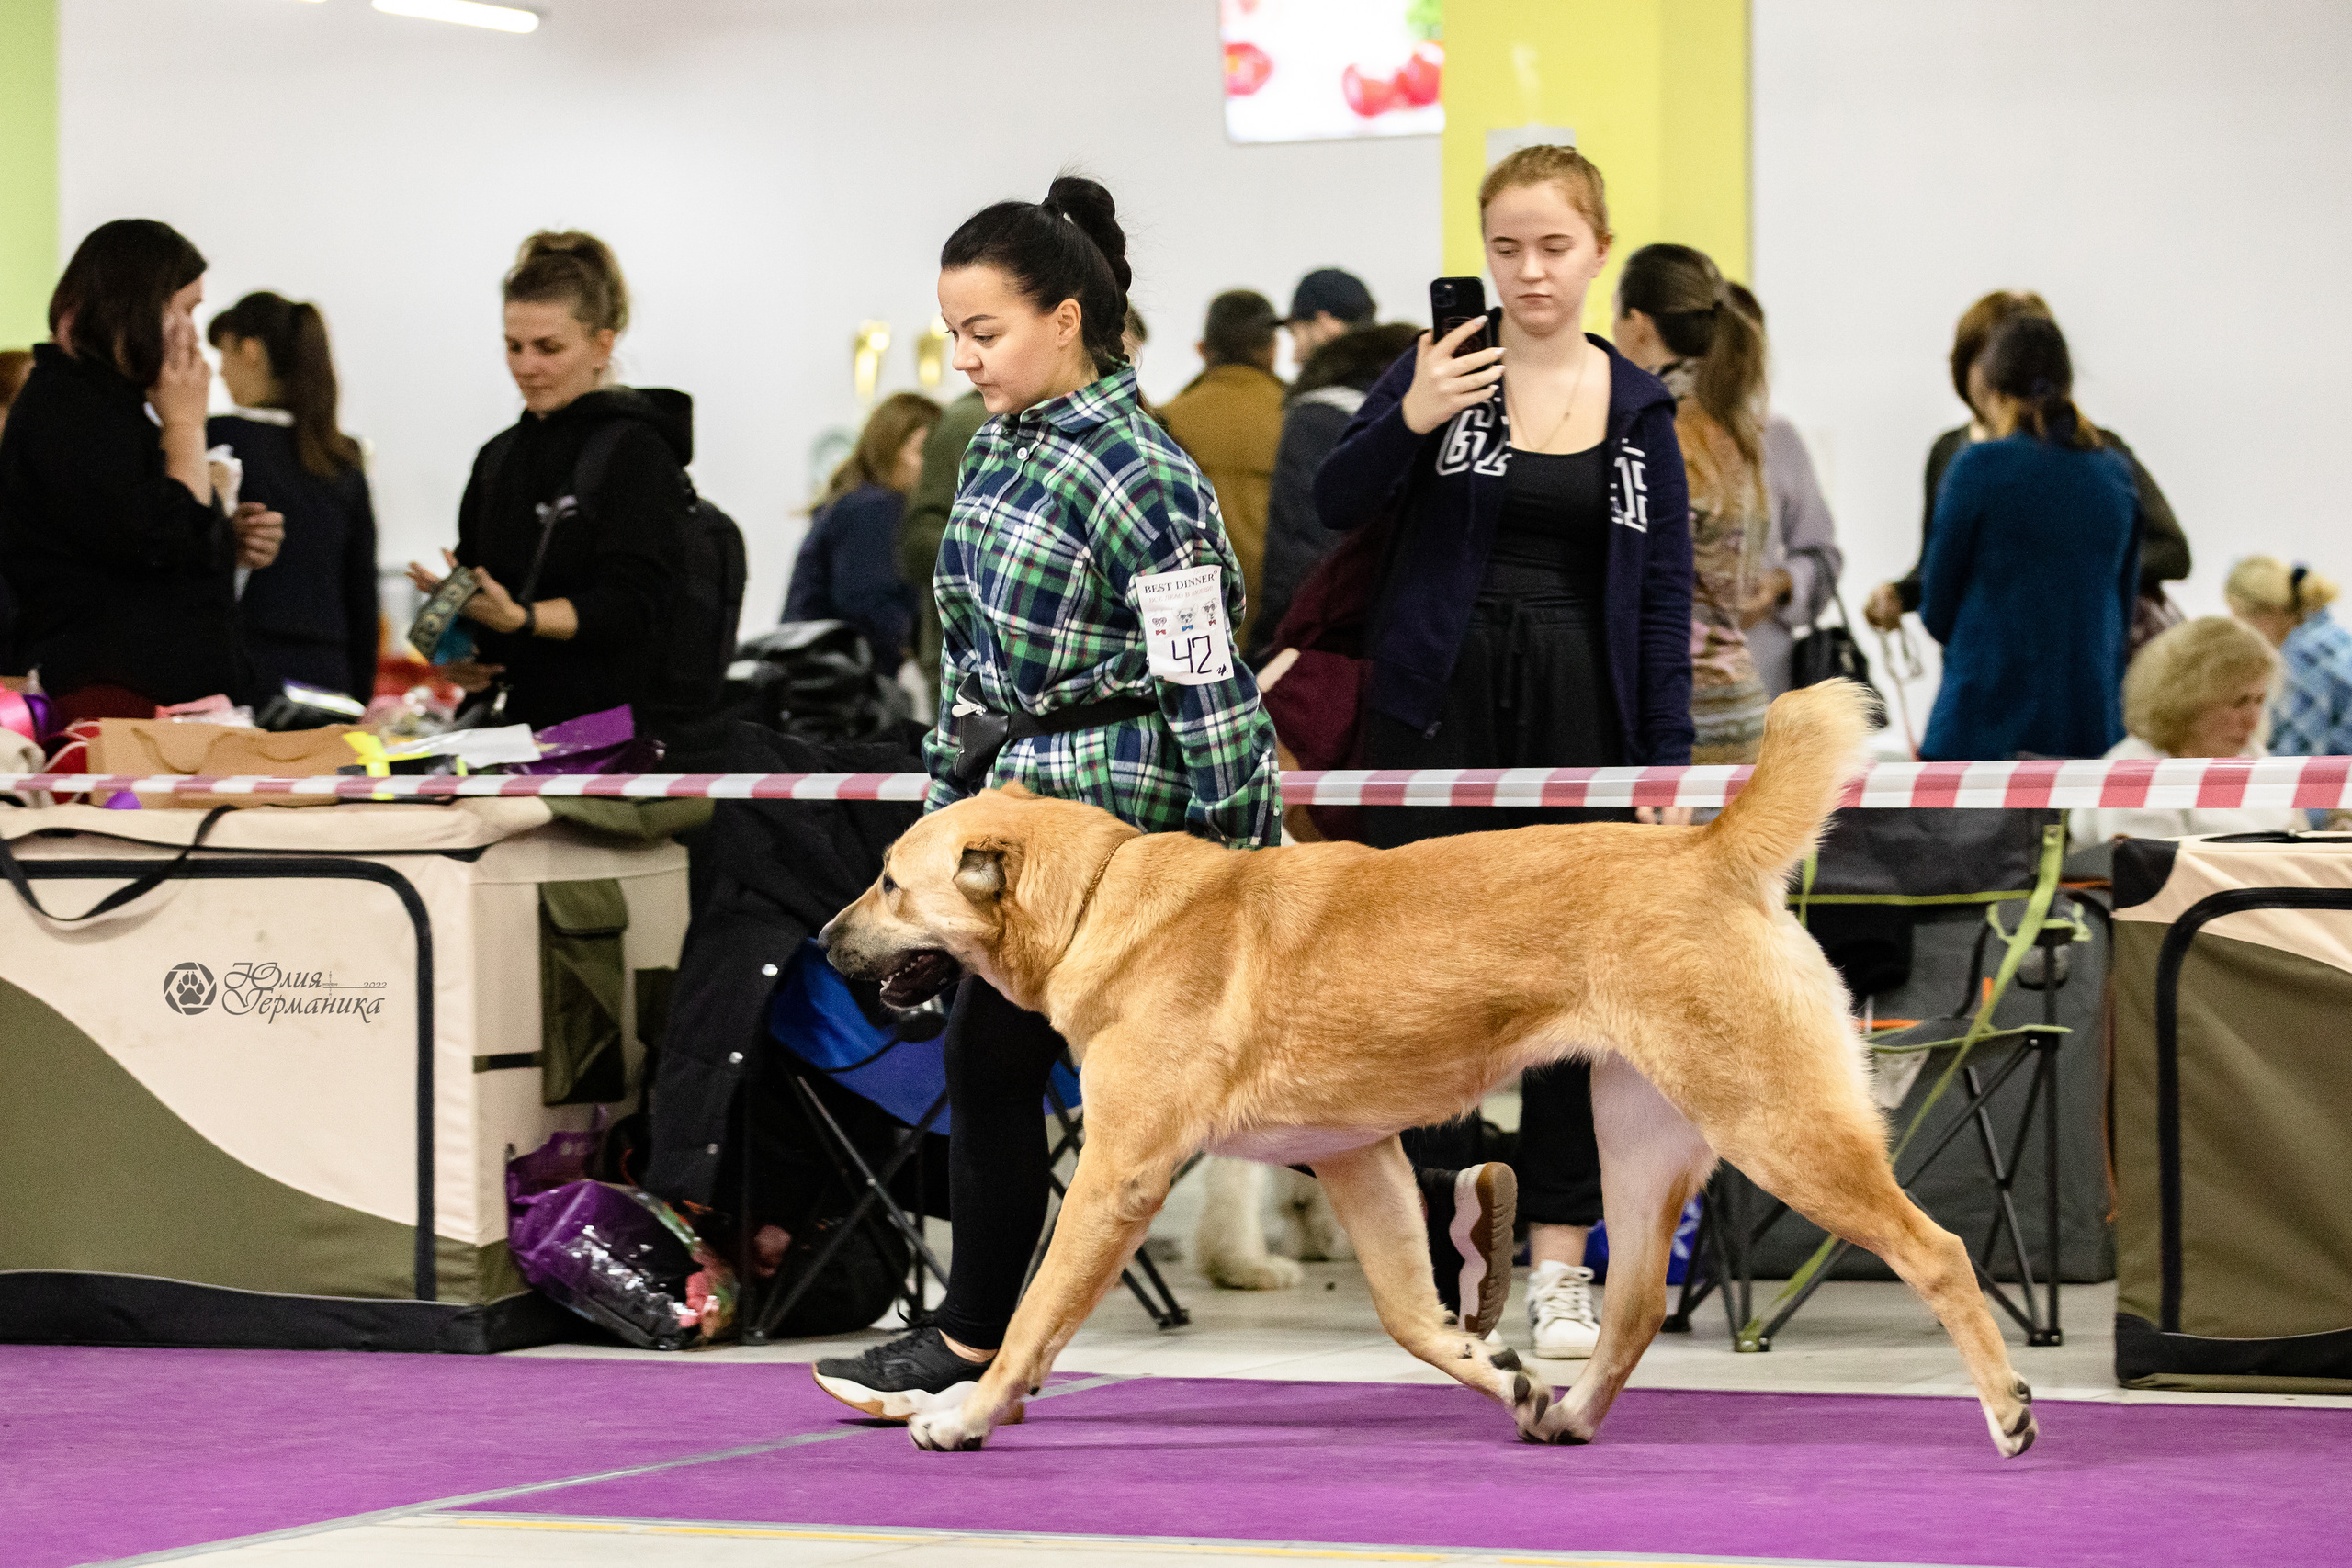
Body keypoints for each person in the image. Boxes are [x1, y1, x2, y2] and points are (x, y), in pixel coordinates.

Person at [813, 175, 1290, 1420]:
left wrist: (1254, 860)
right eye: (954, 332)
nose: (963, 357)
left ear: (1065, 319)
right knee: (989, 1064)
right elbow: (969, 672)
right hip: (1011, 823)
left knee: (1236, 1081)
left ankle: (975, 1339)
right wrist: (937, 839)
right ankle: (974, 1337)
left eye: (984, 331)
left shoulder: (1148, 477)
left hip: (1128, 830)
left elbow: (1206, 681)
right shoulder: (994, 451)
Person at [1315, 144, 1697, 1359]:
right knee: (1421, 987)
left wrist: (1665, 764)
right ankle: (1442, 1242)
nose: (1530, 271)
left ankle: (1560, 1265)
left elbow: (1662, 595)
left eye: (1554, 247)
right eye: (1507, 248)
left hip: (1584, 713)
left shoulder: (1638, 407)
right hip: (1435, 713)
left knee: (1577, 997)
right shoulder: (1439, 363)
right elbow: (1332, 501)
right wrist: (1412, 416)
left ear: (1598, 253)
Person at [405, 231, 696, 738]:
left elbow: (635, 603)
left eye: (549, 348)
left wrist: (522, 618)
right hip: (503, 730)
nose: (526, 367)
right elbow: (482, 576)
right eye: (513, 346)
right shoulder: (498, 456)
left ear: (602, 345)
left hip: (604, 735)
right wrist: (456, 644)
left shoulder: (636, 453)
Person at [0, 220, 282, 717]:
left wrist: (226, 540)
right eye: (186, 309)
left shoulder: (112, 403)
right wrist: (186, 427)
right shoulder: (69, 407)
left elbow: (157, 542)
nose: (193, 335)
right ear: (137, 306)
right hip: (116, 697)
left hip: (156, 694)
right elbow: (163, 541)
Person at [1865, 290, 2189, 641]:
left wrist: (2062, 574)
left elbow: (2172, 551)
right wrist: (1900, 594)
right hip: (2020, 653)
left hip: (2053, 650)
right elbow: (1938, 570)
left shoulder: (2098, 451)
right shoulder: (1951, 452)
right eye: (1983, 357)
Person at [1917, 314, 2139, 762]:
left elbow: (1936, 609)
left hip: (1985, 722)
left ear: (1993, 391)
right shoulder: (2114, 472)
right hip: (2087, 722)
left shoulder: (1977, 467)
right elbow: (2124, 603)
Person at [1612, 243, 1771, 762]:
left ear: (1637, 323)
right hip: (1742, 707)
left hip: (1673, 715)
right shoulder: (1738, 426)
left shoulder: (1652, 428)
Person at [207, 292, 379, 704]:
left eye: (223, 355)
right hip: (332, 676)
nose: (221, 373)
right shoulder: (343, 459)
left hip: (247, 671)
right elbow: (362, 591)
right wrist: (359, 696)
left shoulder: (219, 441)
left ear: (250, 351)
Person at [1251, 320, 1421, 658]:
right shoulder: (1430, 415)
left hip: (1323, 636)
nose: (1292, 355)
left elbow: (1299, 540)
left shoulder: (1313, 417)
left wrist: (1268, 640)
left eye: (1294, 333)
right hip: (1406, 632)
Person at [2070, 616, 2302, 846]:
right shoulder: (2135, 774)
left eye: (2259, 700)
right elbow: (2148, 866)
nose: (2252, 721)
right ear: (2185, 702)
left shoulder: (2248, 753)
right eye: (2238, 702)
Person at [1721, 282, 1843, 698]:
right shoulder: (1652, 434)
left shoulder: (1778, 437)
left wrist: (1779, 583)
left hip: (1765, 680)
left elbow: (1824, 557)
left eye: (1747, 347)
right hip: (1670, 683)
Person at [1159, 289, 1286, 639]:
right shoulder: (1299, 418)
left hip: (1194, 627)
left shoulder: (1164, 422)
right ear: (1272, 349)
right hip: (1279, 626)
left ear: (1203, 349)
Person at [783, 390, 939, 671]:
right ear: (889, 450)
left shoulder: (855, 501)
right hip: (836, 679)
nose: (932, 468)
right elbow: (871, 607)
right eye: (923, 452)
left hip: (817, 674)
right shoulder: (872, 507)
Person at [2228, 557, 2352, 765]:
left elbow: (2293, 761)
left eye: (2238, 616)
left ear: (2265, 611)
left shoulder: (2306, 657)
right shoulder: (2333, 638)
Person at [1281, 266, 1377, 367]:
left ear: (1324, 322)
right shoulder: (1384, 369)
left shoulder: (1338, 374)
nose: (1295, 358)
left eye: (1295, 333)